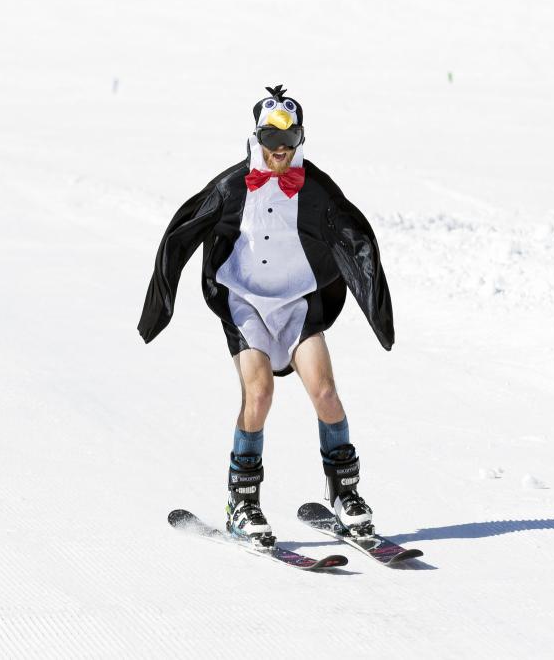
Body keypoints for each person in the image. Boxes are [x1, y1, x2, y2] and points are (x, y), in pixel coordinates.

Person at [138, 85, 393, 548]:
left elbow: (355, 236)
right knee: (259, 393)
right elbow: (182, 231)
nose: (279, 151)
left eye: (288, 140)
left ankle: (345, 494)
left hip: (296, 303)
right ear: (256, 138)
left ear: (300, 139)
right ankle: (243, 503)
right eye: (269, 141)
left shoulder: (314, 188)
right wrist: (160, 304)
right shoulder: (233, 186)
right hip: (245, 303)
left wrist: (376, 308)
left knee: (326, 392)